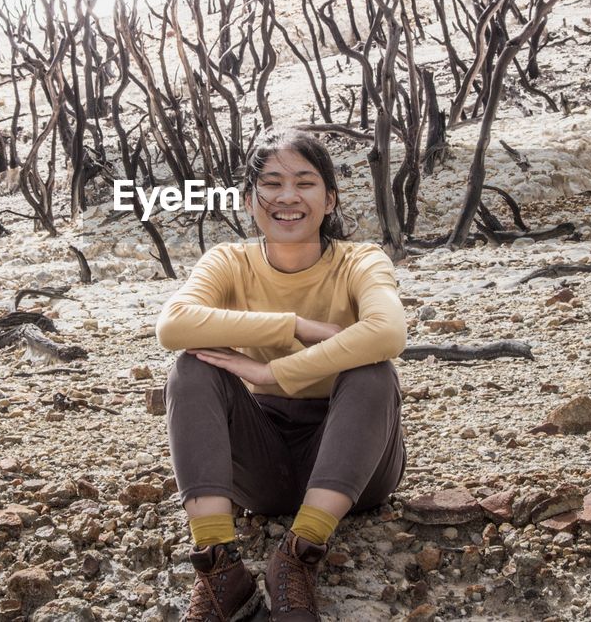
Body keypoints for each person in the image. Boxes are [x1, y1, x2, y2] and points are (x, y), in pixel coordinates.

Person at [155, 127, 408, 622]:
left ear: (330, 198)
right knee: (190, 368)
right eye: (271, 183)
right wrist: (293, 325)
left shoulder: (360, 259)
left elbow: (389, 332)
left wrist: (274, 370)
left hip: (359, 458)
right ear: (250, 200)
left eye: (305, 182)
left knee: (372, 370)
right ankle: (218, 568)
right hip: (263, 464)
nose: (287, 197)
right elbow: (173, 325)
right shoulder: (229, 261)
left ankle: (297, 558)